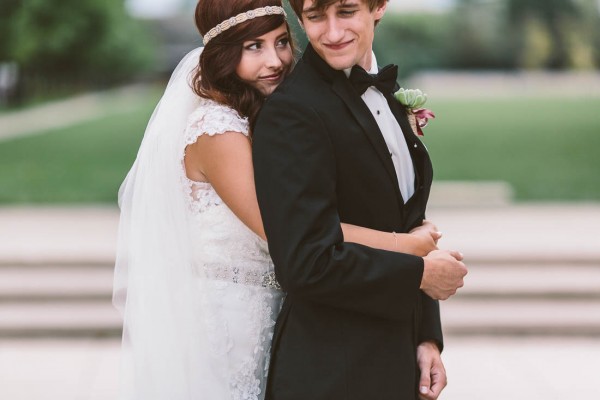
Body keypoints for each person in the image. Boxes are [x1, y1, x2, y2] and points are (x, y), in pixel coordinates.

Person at [113, 0, 448, 399]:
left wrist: (426, 333)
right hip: (229, 324)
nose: (274, 61)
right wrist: (409, 249)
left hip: (278, 313)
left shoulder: (274, 110)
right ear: (222, 54)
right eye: (253, 46)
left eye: (281, 42)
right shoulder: (217, 130)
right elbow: (289, 235)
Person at [252, 1, 468, 400]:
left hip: (396, 357)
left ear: (379, 6)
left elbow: (408, 223)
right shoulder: (292, 112)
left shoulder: (386, 94)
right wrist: (420, 274)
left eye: (347, 11)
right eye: (316, 16)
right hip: (332, 372)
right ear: (300, 20)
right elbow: (306, 262)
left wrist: (426, 338)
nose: (332, 33)